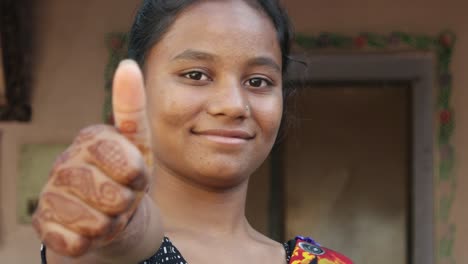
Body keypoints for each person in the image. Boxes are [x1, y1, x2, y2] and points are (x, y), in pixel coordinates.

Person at [32, 0, 353, 263]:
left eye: (258, 81)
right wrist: (121, 225)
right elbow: (117, 244)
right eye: (196, 75)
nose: (233, 105)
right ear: (137, 89)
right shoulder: (100, 241)